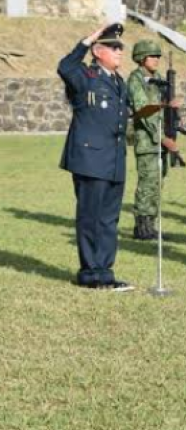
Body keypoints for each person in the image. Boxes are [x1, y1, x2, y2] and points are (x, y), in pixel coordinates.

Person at [58, 24, 133, 291]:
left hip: (114, 160)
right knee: (90, 217)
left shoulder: (118, 81)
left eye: (121, 48)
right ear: (98, 51)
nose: (119, 52)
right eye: (114, 47)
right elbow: (65, 66)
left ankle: (105, 271)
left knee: (109, 219)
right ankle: (90, 273)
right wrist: (86, 41)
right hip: (91, 159)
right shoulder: (85, 77)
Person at [127, 40, 181, 241]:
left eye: (158, 56)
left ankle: (151, 224)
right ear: (141, 58)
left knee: (157, 183)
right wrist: (163, 138)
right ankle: (142, 227)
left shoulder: (158, 78)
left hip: (161, 138)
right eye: (152, 56)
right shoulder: (136, 80)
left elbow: (163, 108)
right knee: (147, 184)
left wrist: (172, 109)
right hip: (148, 140)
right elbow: (143, 111)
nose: (157, 60)